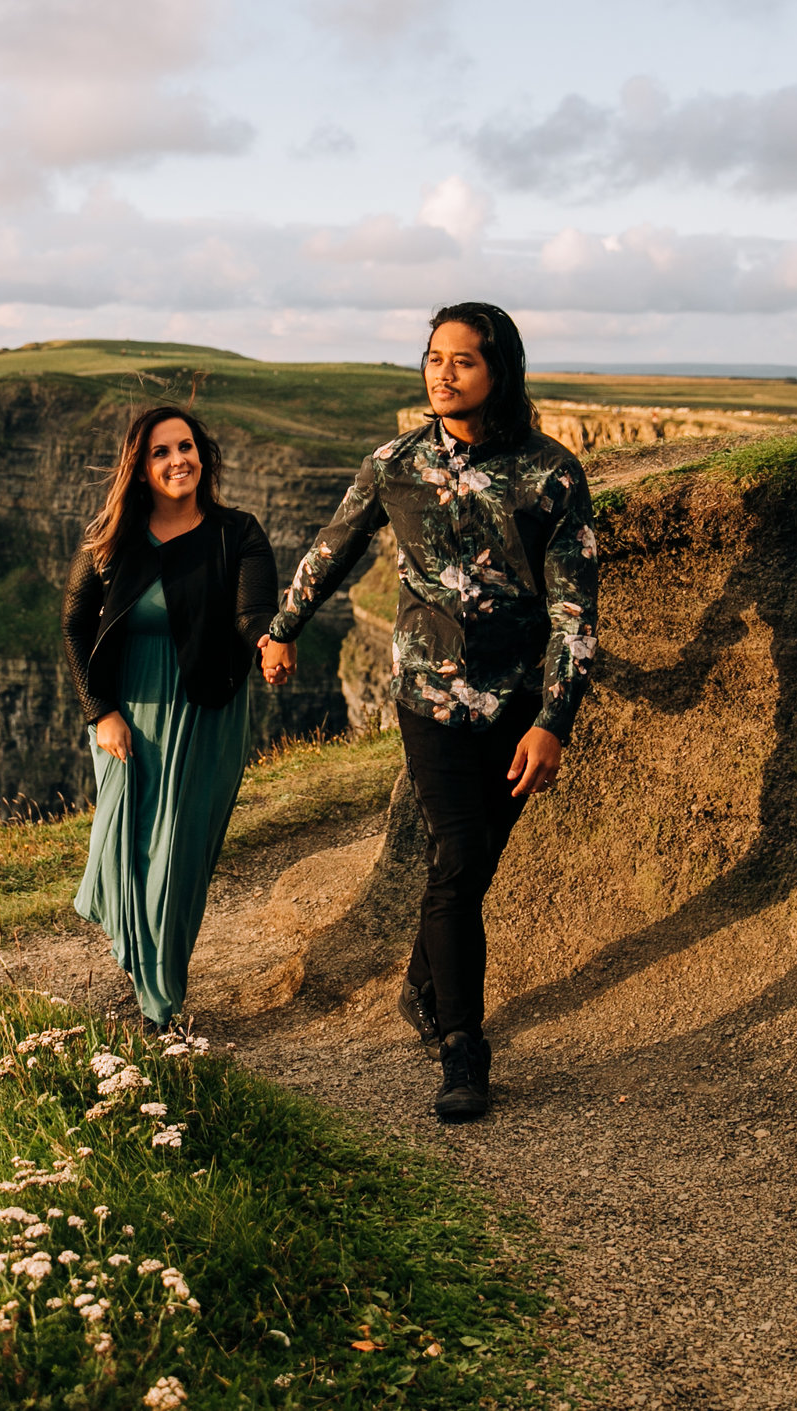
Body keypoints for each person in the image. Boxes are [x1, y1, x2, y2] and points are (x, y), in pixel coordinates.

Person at [257, 302, 598, 1123]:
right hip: (429, 698)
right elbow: (331, 548)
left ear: (500, 372)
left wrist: (554, 717)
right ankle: (463, 1049)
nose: (442, 373)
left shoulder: (550, 475)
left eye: (463, 361)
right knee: (462, 846)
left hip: (516, 704)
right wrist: (282, 629)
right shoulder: (394, 464)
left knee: (468, 867)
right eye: (433, 357)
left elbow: (575, 610)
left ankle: (422, 981)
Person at [62, 406, 279, 1033]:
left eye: (187, 447)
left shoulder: (237, 532)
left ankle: (161, 1005)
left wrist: (270, 643)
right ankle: (142, 961)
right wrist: (100, 711)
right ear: (140, 467)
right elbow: (76, 627)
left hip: (206, 710)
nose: (178, 459)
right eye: (161, 452)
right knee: (126, 847)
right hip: (126, 714)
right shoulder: (111, 538)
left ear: (202, 456)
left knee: (178, 856)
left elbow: (252, 612)